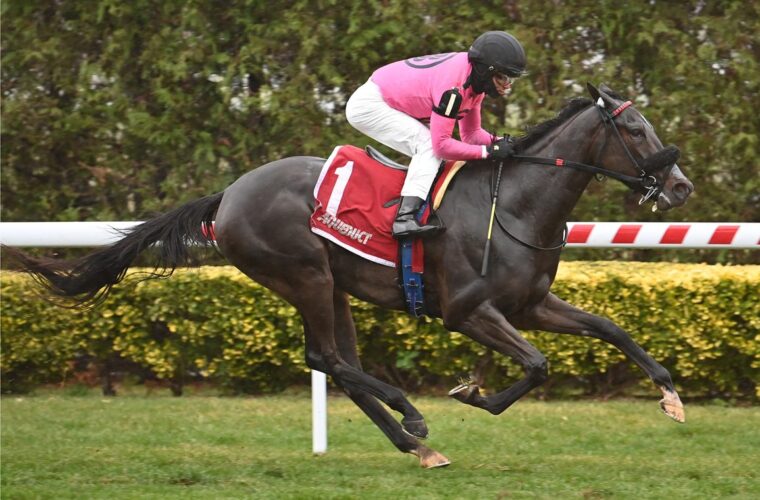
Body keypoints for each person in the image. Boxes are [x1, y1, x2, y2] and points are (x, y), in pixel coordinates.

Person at [345, 31, 526, 238]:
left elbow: (472, 135)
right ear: (487, 70)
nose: (507, 85)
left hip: (384, 95)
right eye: (502, 77)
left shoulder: (474, 82)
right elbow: (441, 146)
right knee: (429, 148)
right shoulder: (455, 87)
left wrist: (507, 144)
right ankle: (404, 219)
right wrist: (489, 152)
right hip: (369, 106)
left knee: (434, 151)